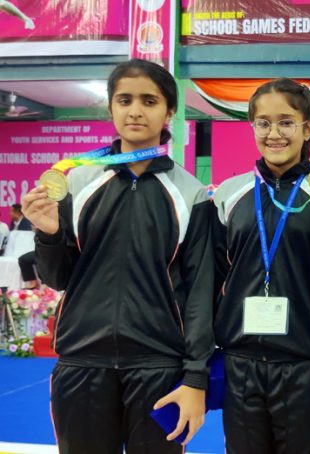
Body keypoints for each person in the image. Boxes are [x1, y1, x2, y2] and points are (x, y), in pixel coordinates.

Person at [21, 58, 214, 453]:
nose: (136, 110)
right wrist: (49, 234)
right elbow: (59, 278)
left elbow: (199, 294)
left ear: (169, 112)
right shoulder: (77, 181)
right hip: (82, 361)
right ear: (111, 108)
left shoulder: (190, 194)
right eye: (124, 100)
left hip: (158, 366)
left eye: (149, 100)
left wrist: (195, 377)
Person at [212, 78, 310, 454]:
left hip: (302, 364)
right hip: (240, 364)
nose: (274, 133)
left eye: (286, 122)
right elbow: (209, 281)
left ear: (308, 128)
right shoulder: (230, 194)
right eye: (263, 123)